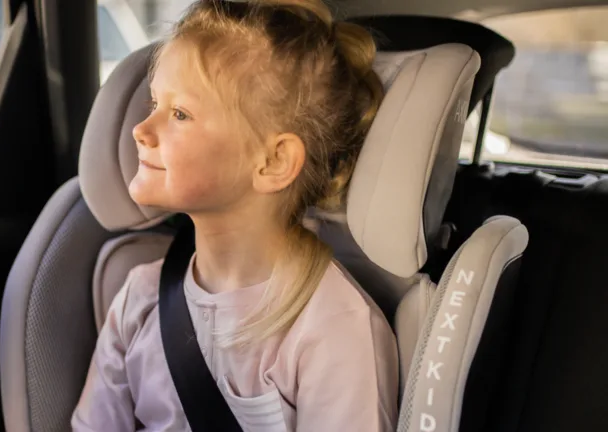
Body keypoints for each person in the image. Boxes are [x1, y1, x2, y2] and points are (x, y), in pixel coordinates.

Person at [72, 0, 398, 430]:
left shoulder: (333, 327)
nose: (140, 129)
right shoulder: (140, 298)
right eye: (153, 104)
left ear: (273, 162)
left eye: (180, 114)